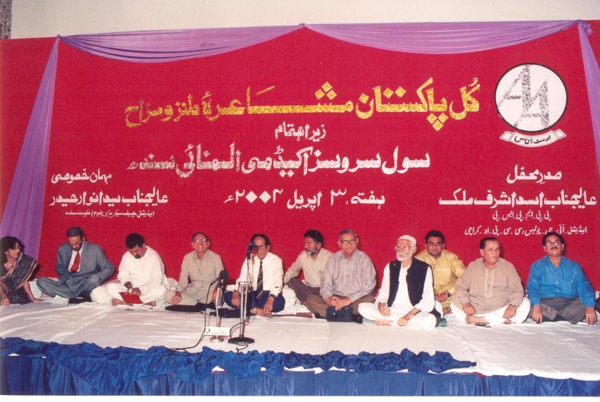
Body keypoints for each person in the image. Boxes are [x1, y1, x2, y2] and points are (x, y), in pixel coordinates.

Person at [358, 235, 437, 330]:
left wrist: (408, 316)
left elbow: (428, 299)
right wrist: (381, 307)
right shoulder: (391, 267)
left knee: (431, 320)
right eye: (398, 247)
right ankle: (398, 322)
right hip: (392, 310)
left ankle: (390, 323)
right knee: (362, 307)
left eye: (404, 247)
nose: (400, 250)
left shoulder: (424, 268)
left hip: (413, 312)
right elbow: (383, 293)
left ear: (413, 249)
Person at [451, 237, 530, 327]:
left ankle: (481, 320)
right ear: (482, 252)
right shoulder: (473, 266)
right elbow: (461, 286)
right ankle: (498, 320)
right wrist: (466, 303)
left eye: (497, 249)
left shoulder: (508, 267)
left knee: (525, 303)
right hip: (476, 309)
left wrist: (512, 306)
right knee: (455, 301)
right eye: (490, 250)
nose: (495, 253)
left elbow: (517, 288)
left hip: (501, 308)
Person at [305, 229, 376, 323]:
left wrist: (349, 300)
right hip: (336, 298)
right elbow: (326, 284)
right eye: (345, 242)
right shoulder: (333, 259)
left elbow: (369, 286)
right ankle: (351, 315)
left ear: (357, 241)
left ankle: (331, 314)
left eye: (352, 241)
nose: (349, 244)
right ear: (339, 243)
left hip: (355, 299)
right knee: (310, 300)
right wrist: (329, 299)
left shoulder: (364, 259)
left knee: (369, 300)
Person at [527, 232, 597, 325]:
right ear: (545, 248)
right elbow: (532, 288)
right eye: (549, 243)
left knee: (584, 304)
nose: (553, 245)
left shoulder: (574, 267)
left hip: (568, 304)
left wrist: (589, 307)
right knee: (526, 304)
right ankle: (563, 318)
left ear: (562, 246)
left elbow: (584, 286)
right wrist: (536, 305)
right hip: (545, 303)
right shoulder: (537, 266)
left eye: (557, 242)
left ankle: (552, 317)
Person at [37, 227, 114, 303]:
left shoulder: (95, 249)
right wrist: (66, 277)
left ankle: (71, 296)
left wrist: (97, 276)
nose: (73, 247)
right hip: (68, 283)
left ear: (83, 238)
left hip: (85, 283)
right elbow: (59, 267)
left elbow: (110, 268)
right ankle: (75, 296)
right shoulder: (62, 248)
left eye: (76, 244)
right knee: (41, 281)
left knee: (94, 279)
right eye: (71, 244)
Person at [92, 233, 168, 306]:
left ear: (144, 245)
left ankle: (126, 302)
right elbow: (123, 275)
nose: (133, 254)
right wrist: (129, 287)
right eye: (131, 251)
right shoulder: (126, 256)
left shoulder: (154, 257)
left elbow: (156, 280)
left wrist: (140, 290)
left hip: (148, 289)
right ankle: (143, 302)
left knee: (162, 290)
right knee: (109, 288)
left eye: (136, 251)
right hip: (132, 291)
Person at [223, 234, 285, 317]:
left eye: (262, 246)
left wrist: (270, 299)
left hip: (267, 294)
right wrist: (236, 293)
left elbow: (278, 282)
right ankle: (256, 310)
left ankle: (249, 309)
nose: (259, 250)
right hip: (251, 294)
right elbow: (242, 278)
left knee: (279, 303)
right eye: (256, 247)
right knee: (228, 296)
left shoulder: (276, 260)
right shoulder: (249, 259)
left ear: (268, 247)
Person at [164, 232, 225, 308]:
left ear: (208, 244)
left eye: (203, 240)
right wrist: (178, 293)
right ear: (192, 244)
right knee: (167, 294)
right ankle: (199, 305)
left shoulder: (215, 258)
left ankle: (193, 304)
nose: (200, 243)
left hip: (210, 291)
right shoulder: (187, 258)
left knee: (218, 295)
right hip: (192, 292)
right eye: (197, 240)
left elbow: (221, 278)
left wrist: (216, 290)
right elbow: (183, 280)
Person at [415, 230, 466, 315]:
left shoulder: (451, 257)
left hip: (451, 298)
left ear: (443, 245)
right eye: (431, 244)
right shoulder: (417, 260)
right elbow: (413, 282)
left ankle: (444, 311)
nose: (435, 247)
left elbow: (465, 276)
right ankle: (440, 312)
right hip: (428, 298)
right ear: (426, 245)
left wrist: (447, 293)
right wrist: (430, 293)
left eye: (438, 244)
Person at [284, 229, 333, 304]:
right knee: (292, 281)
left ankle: (313, 302)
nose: (305, 246)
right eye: (305, 243)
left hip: (325, 291)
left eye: (309, 243)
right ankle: (313, 302)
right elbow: (292, 271)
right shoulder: (303, 256)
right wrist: (281, 283)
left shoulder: (330, 257)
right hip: (309, 290)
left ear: (318, 245)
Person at [0, 236, 41, 305]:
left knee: (19, 297)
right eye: (14, 249)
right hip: (2, 291)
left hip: (15, 291)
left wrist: (32, 298)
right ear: (6, 251)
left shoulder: (22, 261)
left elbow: (24, 281)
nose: (18, 251)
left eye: (18, 248)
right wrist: (4, 296)